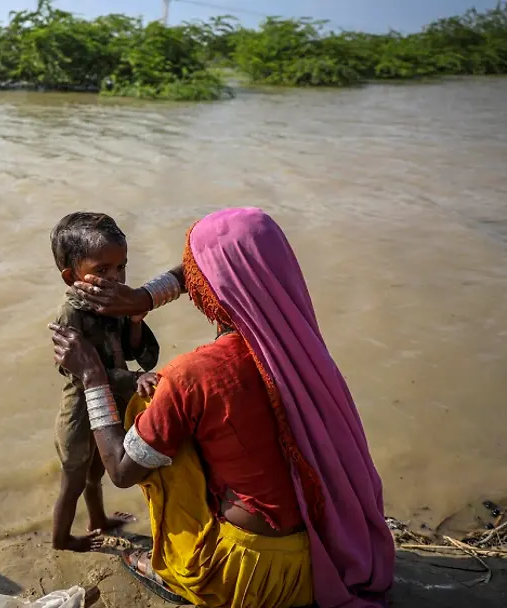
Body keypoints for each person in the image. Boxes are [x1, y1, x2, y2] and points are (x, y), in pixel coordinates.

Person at [50, 208, 395, 607]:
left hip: (255, 575)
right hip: (331, 552)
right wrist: (144, 299)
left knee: (154, 414)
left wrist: (94, 378)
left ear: (207, 285)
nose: (189, 282)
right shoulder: (302, 353)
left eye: (193, 276)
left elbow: (121, 472)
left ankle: (176, 569)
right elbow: (221, 259)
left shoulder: (195, 374)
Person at [48, 212, 161, 552]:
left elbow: (139, 353)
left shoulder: (114, 304)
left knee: (96, 471)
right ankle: (61, 539)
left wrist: (136, 318)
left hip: (109, 405)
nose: (115, 278)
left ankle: (97, 520)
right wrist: (135, 378)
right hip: (81, 413)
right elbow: (75, 372)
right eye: (103, 270)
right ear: (71, 276)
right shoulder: (70, 315)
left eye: (121, 268)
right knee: (72, 479)